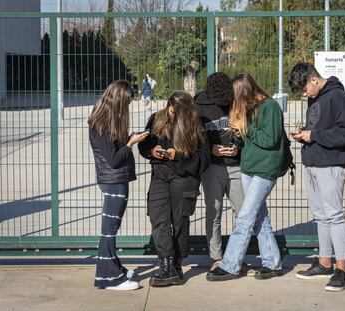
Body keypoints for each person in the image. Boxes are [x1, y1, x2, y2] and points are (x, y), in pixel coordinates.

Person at [206, 73, 284, 281]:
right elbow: (246, 141)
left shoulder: (270, 107)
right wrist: (236, 139)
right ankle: (272, 262)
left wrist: (245, 128)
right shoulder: (249, 109)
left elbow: (270, 139)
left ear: (244, 91)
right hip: (248, 168)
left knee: (245, 218)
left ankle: (230, 264)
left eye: (235, 94)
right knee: (259, 218)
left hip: (264, 170)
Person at [289, 62, 345, 292]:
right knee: (321, 216)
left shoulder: (338, 97)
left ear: (314, 80)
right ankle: (325, 262)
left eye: (304, 88)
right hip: (315, 163)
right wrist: (304, 135)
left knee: (334, 216)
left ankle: (342, 269)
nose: (304, 93)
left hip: (331, 164)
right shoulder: (315, 97)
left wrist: (313, 135)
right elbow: (317, 130)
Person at [139, 91, 211, 287]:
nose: (171, 114)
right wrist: (152, 151)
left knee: (179, 221)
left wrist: (177, 156)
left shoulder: (197, 125)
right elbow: (144, 145)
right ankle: (166, 264)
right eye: (170, 110)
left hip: (184, 178)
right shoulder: (156, 119)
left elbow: (203, 160)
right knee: (158, 218)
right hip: (160, 175)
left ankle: (176, 264)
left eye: (175, 113)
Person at [88, 80, 149, 291]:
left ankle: (114, 270)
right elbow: (114, 159)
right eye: (127, 103)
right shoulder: (101, 124)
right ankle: (109, 278)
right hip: (113, 181)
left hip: (116, 181)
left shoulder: (106, 121)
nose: (127, 108)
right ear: (117, 101)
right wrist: (131, 142)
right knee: (108, 231)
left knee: (110, 230)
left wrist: (130, 139)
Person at [194, 72, 245, 272]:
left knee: (241, 214)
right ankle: (216, 257)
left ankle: (235, 256)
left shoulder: (236, 101)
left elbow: (246, 131)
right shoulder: (198, 104)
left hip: (236, 165)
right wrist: (211, 149)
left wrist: (237, 148)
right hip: (212, 167)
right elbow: (194, 138)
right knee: (213, 213)